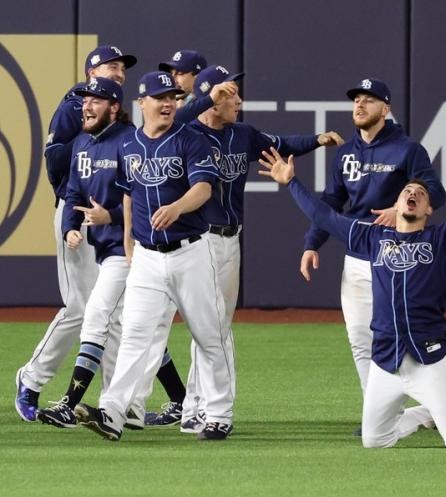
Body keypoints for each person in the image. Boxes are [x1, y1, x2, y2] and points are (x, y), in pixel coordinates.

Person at [258, 126, 446, 448]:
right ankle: (428, 412)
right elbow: (323, 215)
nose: (413, 195)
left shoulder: (444, 237)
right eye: (407, 192)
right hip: (386, 360)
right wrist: (291, 183)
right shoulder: (370, 237)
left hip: (431, 359)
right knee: (375, 441)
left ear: (427, 209)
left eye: (420, 195)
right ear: (396, 204)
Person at [169, 64, 342, 433]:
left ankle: (196, 408)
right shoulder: (184, 133)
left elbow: (280, 144)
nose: (239, 100)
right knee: (211, 327)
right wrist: (204, 99)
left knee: (214, 325)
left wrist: (318, 140)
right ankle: (211, 410)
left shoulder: (242, 134)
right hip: (199, 240)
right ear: (213, 99)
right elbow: (170, 121)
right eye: (231, 94)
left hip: (230, 240)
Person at [74, 71, 233, 441]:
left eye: (174, 97)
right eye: (160, 97)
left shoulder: (190, 139)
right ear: (141, 103)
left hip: (189, 252)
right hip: (146, 256)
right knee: (135, 335)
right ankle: (113, 412)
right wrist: (129, 240)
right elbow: (128, 194)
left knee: (209, 335)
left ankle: (220, 413)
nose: (168, 103)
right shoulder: (129, 145)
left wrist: (177, 207)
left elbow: (204, 189)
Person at [299, 78, 445, 434]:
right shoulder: (347, 152)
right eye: (356, 101)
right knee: (359, 337)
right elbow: (332, 202)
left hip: (393, 256)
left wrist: (403, 206)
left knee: (395, 335)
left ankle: (435, 402)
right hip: (356, 254)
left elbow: (436, 192)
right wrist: (311, 243)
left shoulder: (407, 149)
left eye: (369, 100)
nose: (360, 106)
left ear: (386, 108)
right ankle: (377, 413)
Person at [15, 45, 136, 423]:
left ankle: (115, 403)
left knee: (113, 311)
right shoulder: (76, 105)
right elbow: (54, 161)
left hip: (108, 220)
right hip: (79, 216)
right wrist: (71, 207)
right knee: (82, 307)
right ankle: (31, 379)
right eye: (110, 66)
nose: (118, 72)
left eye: (121, 67)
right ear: (90, 71)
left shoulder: (117, 116)